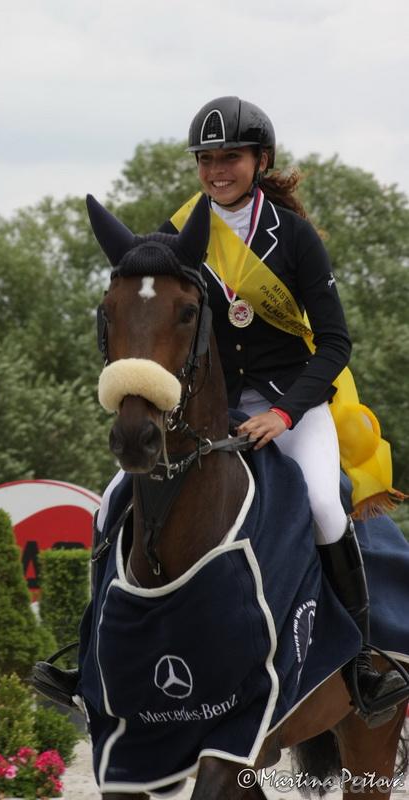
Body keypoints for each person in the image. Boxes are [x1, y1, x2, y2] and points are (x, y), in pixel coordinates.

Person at [155, 95, 406, 727]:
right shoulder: (178, 233)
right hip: (210, 409)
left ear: (260, 161)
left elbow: (336, 343)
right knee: (114, 502)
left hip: (291, 400)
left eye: (230, 158)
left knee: (324, 504)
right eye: (206, 160)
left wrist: (285, 415)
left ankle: (361, 661)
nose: (217, 171)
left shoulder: (293, 237)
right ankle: (94, 656)